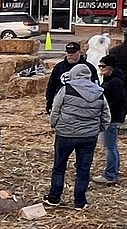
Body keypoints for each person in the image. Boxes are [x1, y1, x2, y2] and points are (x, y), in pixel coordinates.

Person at [44, 63, 110, 210]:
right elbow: (106, 116)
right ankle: (80, 201)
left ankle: (54, 197)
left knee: (59, 167)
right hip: (88, 137)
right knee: (83, 169)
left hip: (65, 134)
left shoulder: (66, 89)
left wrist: (55, 125)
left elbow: (55, 110)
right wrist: (97, 129)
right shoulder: (99, 92)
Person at [93, 54, 127, 185]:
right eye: (99, 66)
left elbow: (118, 101)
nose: (101, 69)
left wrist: (104, 110)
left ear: (111, 68)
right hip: (113, 117)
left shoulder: (115, 82)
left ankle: (110, 174)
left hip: (112, 118)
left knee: (109, 146)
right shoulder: (111, 80)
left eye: (103, 66)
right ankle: (113, 171)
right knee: (111, 146)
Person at [45, 41, 99, 113]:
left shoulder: (88, 68)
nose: (70, 55)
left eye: (73, 53)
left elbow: (95, 86)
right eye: (68, 52)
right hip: (62, 102)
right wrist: (49, 102)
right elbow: (52, 85)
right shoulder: (59, 67)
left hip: (83, 103)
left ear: (79, 52)